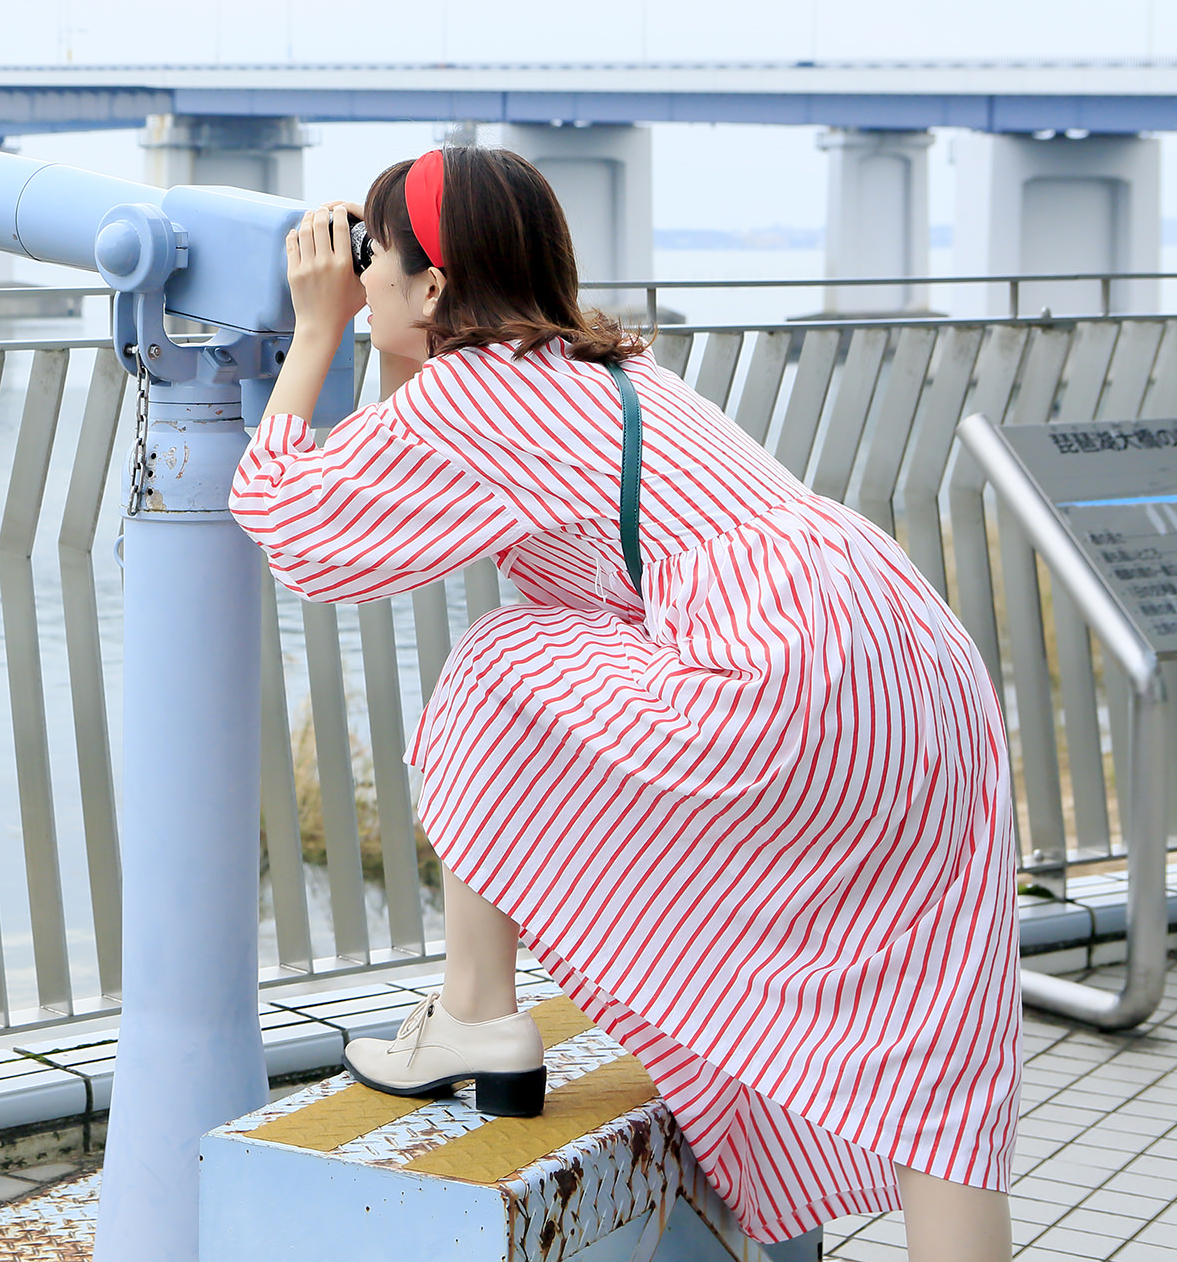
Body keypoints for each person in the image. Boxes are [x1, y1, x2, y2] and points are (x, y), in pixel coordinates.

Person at [229, 146, 1017, 1262]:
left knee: (501, 667)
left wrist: (315, 334)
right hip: (906, 651)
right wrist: (385, 322)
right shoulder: (594, 359)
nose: (359, 278)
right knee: (933, 1021)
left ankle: (475, 1008)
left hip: (780, 668)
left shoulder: (476, 391)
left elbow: (295, 526)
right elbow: (416, 458)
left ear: (438, 284)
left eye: (376, 259)